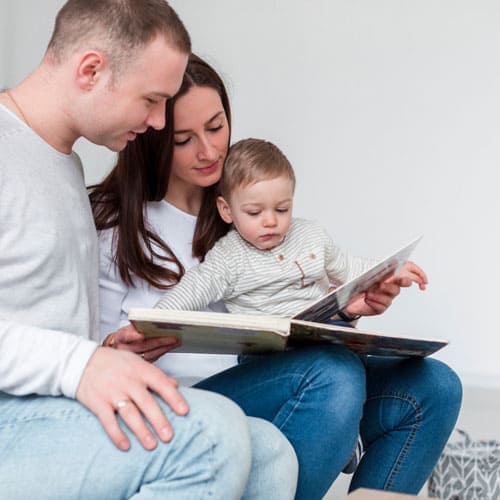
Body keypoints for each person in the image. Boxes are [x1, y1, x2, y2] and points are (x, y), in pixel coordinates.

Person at [91, 54, 462, 499]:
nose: (209, 151)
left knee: (434, 386)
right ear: (151, 134)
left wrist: (348, 309)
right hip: (182, 404)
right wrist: (118, 350)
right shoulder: (113, 225)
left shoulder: (253, 208)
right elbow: (87, 355)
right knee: (332, 375)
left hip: (279, 378)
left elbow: (290, 314)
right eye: (184, 139)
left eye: (216, 127)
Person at [0, 2, 299, 499]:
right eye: (152, 99)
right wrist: (79, 364)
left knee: (269, 449)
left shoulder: (60, 163)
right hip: (13, 415)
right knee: (213, 436)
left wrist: (104, 354)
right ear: (91, 70)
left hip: (49, 404)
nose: (158, 121)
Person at [155, 137, 427, 317]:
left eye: (282, 209)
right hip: (268, 357)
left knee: (433, 377)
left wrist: (391, 269)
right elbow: (195, 288)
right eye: (254, 212)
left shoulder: (311, 236)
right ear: (227, 210)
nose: (270, 221)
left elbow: (349, 268)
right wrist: (154, 322)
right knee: (336, 368)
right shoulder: (229, 257)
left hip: (321, 333)